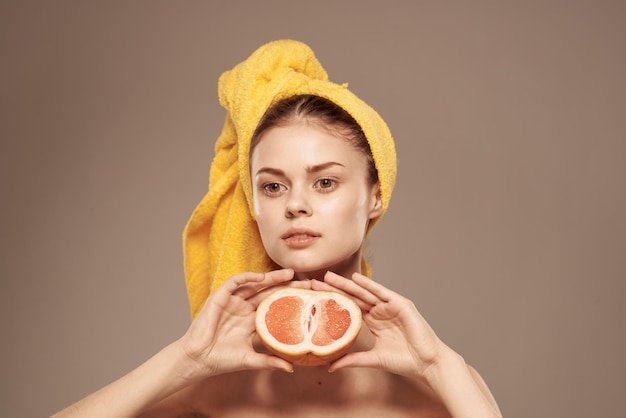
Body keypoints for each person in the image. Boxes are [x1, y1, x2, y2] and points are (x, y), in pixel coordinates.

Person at [52, 40, 501, 418]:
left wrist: (436, 363)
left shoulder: (437, 382)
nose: (295, 205)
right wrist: (183, 360)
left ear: (376, 196)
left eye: (325, 182)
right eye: (272, 186)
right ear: (253, 203)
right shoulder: (214, 384)